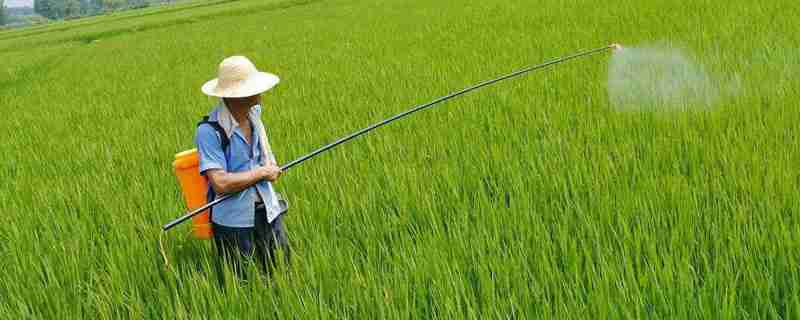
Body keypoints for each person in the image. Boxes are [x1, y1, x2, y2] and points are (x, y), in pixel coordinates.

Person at [195, 55, 290, 280]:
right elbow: (220, 183)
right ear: (237, 95)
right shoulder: (209, 131)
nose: (260, 93)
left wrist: (269, 166)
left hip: (268, 211)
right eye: (253, 88)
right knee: (244, 283)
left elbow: (264, 157)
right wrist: (262, 173)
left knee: (282, 274)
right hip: (234, 223)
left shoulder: (255, 116)